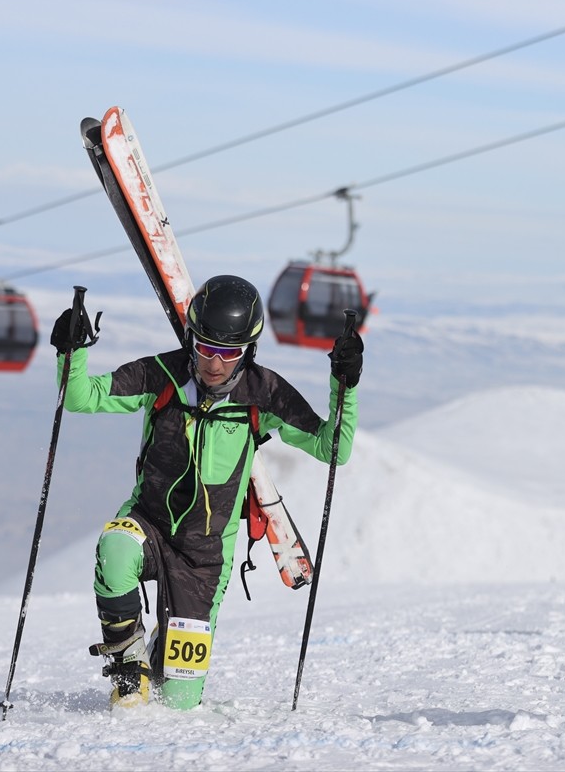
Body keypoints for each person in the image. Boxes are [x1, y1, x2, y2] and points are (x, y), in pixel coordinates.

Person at [49, 275, 362, 710]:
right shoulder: (161, 374)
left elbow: (333, 448)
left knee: (177, 706)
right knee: (115, 551)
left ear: (248, 350)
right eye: (204, 347)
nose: (214, 363)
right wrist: (72, 351)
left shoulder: (265, 394)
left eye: (229, 353)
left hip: (206, 557)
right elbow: (81, 397)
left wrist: (344, 385)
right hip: (149, 522)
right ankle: (128, 666)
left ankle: (163, 643)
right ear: (190, 338)